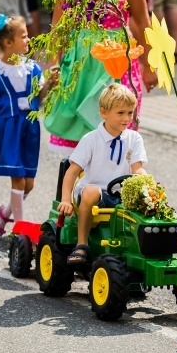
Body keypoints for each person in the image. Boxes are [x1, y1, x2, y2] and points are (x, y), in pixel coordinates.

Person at [44, 0, 157, 154]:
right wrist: (54, 67)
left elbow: (143, 23)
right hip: (80, 61)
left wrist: (150, 65)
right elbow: (58, 28)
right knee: (79, 135)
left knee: (118, 123)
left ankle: (113, 185)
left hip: (116, 60)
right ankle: (76, 186)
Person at [0, 14, 51, 239]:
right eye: (24, 36)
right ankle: (21, 230)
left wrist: (50, 83)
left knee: (29, 184)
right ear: (8, 43)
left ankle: (3, 215)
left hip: (29, 129)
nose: (29, 40)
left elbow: (39, 98)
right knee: (17, 179)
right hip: (8, 129)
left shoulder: (33, 69)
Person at [57, 83, 148, 264]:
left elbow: (137, 168)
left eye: (130, 113)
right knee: (92, 191)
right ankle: (82, 245)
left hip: (120, 194)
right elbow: (71, 172)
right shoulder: (91, 139)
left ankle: (138, 249)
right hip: (93, 193)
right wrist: (65, 199)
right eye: (120, 113)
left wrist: (145, 181)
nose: (126, 118)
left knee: (145, 197)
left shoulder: (134, 138)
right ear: (104, 112)